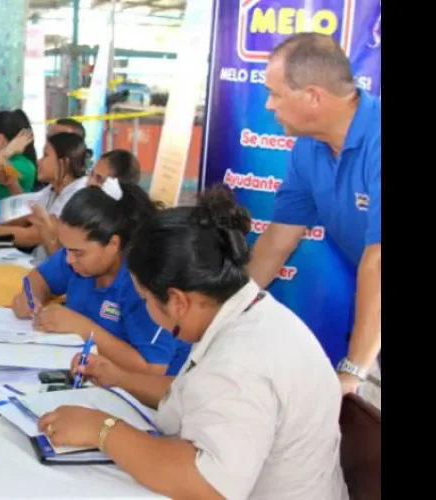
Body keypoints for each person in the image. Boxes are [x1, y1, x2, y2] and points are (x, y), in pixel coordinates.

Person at [38, 186, 348, 500]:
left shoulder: (241, 360)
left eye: (145, 299)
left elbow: (208, 486)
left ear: (177, 301)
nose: (145, 308)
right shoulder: (245, 313)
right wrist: (117, 378)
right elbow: (191, 391)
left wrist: (102, 429)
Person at [248, 33, 381, 397]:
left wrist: (353, 371)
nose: (269, 106)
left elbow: (379, 260)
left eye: (276, 94)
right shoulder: (308, 148)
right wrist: (225, 315)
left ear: (313, 96)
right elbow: (278, 240)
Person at [11, 180, 187, 376]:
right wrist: (31, 298)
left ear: (113, 244)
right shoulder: (77, 257)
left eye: (78, 253)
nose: (68, 259)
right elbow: (39, 278)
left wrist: (85, 329)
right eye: (66, 249)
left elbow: (153, 369)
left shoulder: (142, 283)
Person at [0, 132, 89, 265]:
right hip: (37, 263)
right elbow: (19, 218)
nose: (39, 161)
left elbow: (32, 236)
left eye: (46, 155)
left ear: (63, 163)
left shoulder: (76, 194)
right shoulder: (51, 190)